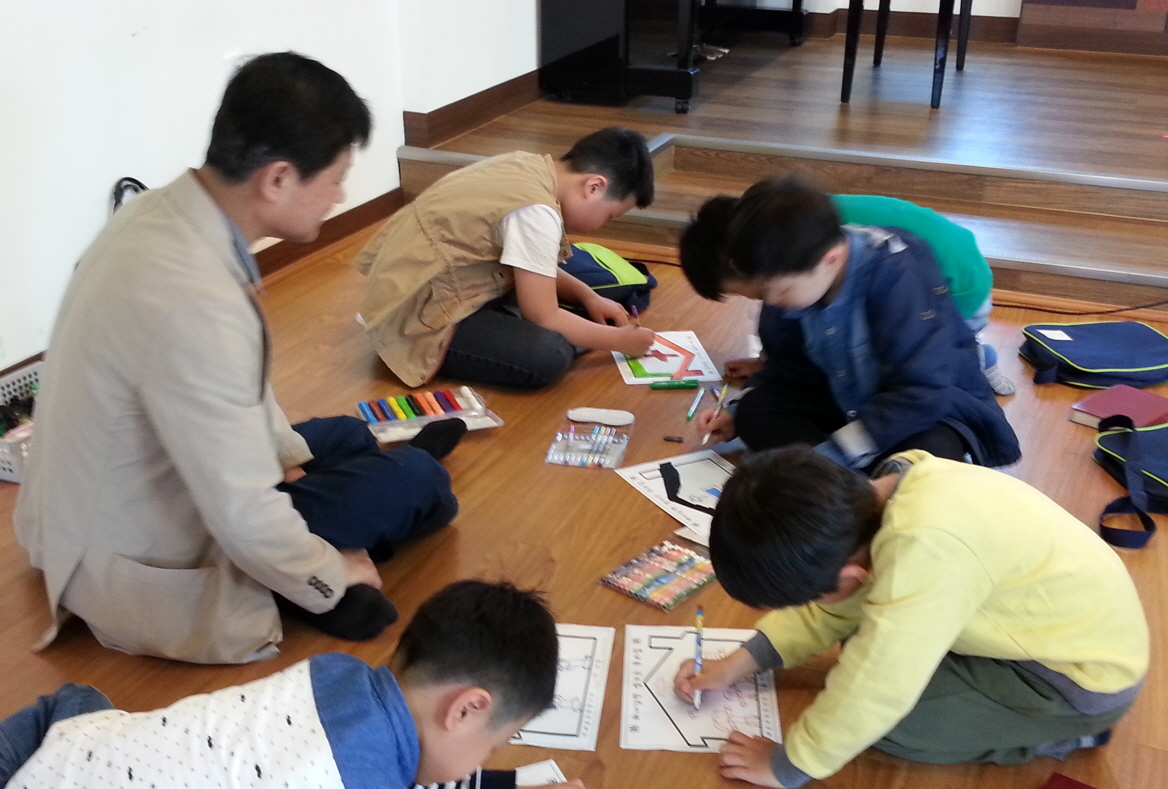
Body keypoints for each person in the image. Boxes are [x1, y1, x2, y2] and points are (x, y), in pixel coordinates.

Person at [14, 52, 462, 665]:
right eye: (335, 178)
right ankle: (366, 510)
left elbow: (236, 392)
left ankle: (359, 476)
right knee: (421, 483)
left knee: (343, 434)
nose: (339, 196)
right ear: (277, 179)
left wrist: (286, 463)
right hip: (139, 549)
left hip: (97, 502)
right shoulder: (197, 301)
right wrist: (331, 575)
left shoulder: (158, 214)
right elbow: (243, 515)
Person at [0, 580, 591, 789]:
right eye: (494, 746)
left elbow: (367, 778)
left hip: (57, 766)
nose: (486, 761)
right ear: (465, 709)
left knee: (81, 703)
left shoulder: (335, 673)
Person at [674, 446, 1149, 789]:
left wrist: (789, 765)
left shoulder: (925, 552)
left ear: (852, 575)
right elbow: (837, 607)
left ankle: (1058, 737)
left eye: (807, 598)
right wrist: (739, 663)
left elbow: (878, 686)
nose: (811, 606)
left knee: (894, 725)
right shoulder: (883, 493)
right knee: (863, 644)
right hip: (1039, 632)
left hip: (1076, 684)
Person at [678, 177, 1020, 470]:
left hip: (919, 410)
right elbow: (785, 370)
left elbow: (922, 390)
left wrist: (836, 453)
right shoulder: (790, 277)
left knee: (933, 452)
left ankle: (845, 480)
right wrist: (737, 414)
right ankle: (852, 482)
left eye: (779, 291)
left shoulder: (897, 271)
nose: (772, 302)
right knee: (756, 410)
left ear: (831, 259)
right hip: (847, 402)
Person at [355, 127, 658, 389]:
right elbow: (544, 317)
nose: (604, 224)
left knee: (570, 301)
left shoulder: (526, 165)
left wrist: (587, 296)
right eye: (610, 216)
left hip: (416, 284)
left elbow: (531, 261)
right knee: (548, 353)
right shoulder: (537, 213)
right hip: (419, 319)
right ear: (594, 187)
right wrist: (619, 342)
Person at [680, 191, 1015, 394]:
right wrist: (767, 362)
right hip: (943, 258)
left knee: (906, 363)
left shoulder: (806, 244)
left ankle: (975, 357)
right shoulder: (785, 225)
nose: (767, 301)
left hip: (959, 286)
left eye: (758, 293)